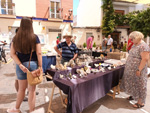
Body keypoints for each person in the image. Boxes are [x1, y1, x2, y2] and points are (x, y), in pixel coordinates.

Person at [7, 17, 42, 113]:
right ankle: (31, 111)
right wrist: (40, 66)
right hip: (33, 65)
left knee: (21, 89)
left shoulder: (16, 38)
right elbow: (39, 53)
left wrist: (20, 64)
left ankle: (16, 109)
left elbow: (12, 53)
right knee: (32, 90)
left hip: (20, 66)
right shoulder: (34, 37)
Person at [120, 31, 150, 108]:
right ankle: (133, 95)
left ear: (137, 38)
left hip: (138, 69)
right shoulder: (135, 44)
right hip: (131, 69)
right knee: (133, 83)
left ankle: (140, 102)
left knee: (140, 84)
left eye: (132, 38)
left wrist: (139, 70)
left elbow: (145, 59)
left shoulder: (143, 46)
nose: (131, 40)